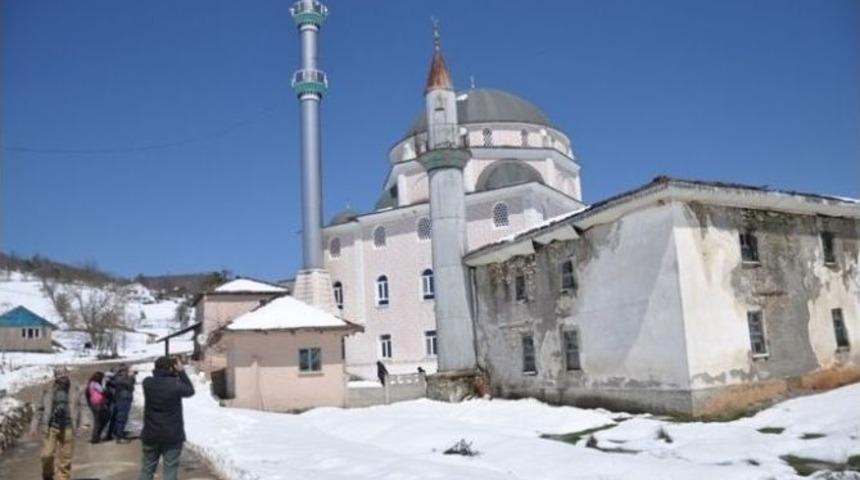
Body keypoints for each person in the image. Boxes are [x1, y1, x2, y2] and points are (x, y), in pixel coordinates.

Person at [139, 355, 195, 480]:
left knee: (147, 469)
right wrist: (180, 371)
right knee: (170, 469)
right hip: (172, 434)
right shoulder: (175, 384)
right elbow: (190, 391)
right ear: (171, 368)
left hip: (150, 434)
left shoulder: (147, 383)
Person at [38, 369, 81, 480]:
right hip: (51, 426)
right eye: (60, 375)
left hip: (68, 426)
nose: (62, 377)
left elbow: (82, 406)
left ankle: (63, 477)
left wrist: (84, 422)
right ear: (56, 376)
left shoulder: (74, 388)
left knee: (66, 458)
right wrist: (34, 426)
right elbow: (40, 408)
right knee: (46, 455)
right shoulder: (48, 389)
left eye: (64, 374)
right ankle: (47, 476)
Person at [108, 364, 136, 442]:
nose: (127, 372)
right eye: (126, 370)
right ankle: (119, 437)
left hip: (121, 397)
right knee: (122, 417)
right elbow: (129, 384)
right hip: (124, 398)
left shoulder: (117, 377)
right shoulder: (121, 378)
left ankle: (118, 433)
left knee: (120, 416)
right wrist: (131, 376)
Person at [85, 371, 110, 443]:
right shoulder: (95, 384)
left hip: (94, 403)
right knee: (99, 421)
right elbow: (102, 390)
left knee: (99, 420)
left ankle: (96, 436)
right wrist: (104, 383)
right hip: (97, 404)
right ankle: (95, 437)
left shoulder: (91, 383)